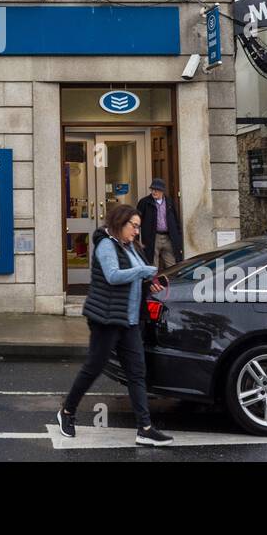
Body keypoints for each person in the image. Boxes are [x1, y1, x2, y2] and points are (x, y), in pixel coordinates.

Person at [57, 203, 172, 446]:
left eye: (139, 227)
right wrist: (142, 270)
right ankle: (67, 411)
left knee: (136, 373)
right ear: (120, 223)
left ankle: (145, 428)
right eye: (134, 226)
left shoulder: (131, 246)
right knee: (93, 368)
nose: (137, 232)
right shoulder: (106, 244)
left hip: (129, 321)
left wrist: (148, 283)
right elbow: (113, 275)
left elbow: (134, 279)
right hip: (106, 319)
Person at [137, 178, 182, 272]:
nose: (154, 192)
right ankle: (153, 285)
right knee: (153, 266)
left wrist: (178, 240)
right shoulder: (144, 202)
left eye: (156, 190)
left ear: (162, 191)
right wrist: (137, 241)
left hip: (168, 237)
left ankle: (174, 286)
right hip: (153, 237)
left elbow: (176, 221)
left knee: (173, 266)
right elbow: (137, 222)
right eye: (152, 189)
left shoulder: (169, 202)